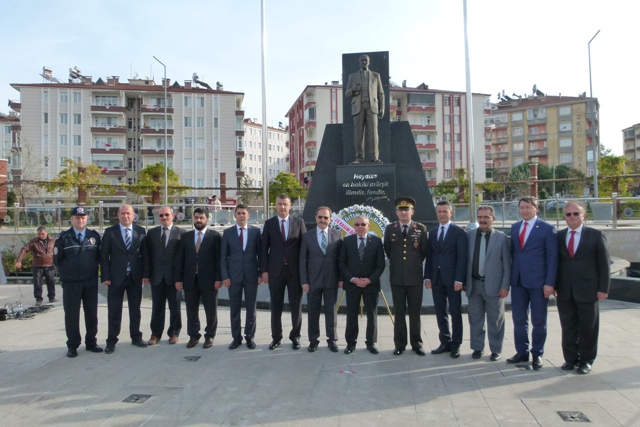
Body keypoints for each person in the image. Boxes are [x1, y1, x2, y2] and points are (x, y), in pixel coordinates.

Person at [555, 201, 610, 375]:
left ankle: (586, 361)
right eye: (568, 214)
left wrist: (603, 288)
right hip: (565, 290)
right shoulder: (559, 236)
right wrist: (554, 285)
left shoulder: (595, 235)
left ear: (583, 215)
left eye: (576, 213)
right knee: (568, 326)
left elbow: (604, 264)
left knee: (588, 327)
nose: (572, 217)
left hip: (588, 290)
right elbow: (555, 263)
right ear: (564, 217)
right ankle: (570, 359)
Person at [508, 196, 558, 369]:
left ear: (536, 209)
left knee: (539, 321)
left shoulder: (547, 229)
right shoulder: (515, 227)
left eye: (528, 207)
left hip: (539, 282)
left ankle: (537, 353)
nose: (524, 210)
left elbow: (552, 258)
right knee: (519, 318)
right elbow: (514, 254)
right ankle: (522, 352)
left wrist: (550, 283)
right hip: (518, 281)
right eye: (522, 207)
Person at [53, 207, 102, 358]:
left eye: (83, 217)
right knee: (72, 314)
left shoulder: (94, 236)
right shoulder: (63, 237)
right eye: (77, 217)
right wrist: (67, 273)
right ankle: (73, 345)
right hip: (71, 282)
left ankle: (91, 342)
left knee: (91, 313)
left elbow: (99, 257)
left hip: (90, 281)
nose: (80, 220)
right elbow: (57, 260)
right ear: (71, 219)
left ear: (87, 219)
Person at [100, 204, 149, 354]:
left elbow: (145, 256)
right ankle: (111, 341)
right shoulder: (110, 232)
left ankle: (136, 337)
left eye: (128, 213)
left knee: (135, 310)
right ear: (118, 215)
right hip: (115, 278)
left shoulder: (141, 231)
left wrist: (145, 274)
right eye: (122, 213)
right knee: (114, 311)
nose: (125, 216)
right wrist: (105, 276)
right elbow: (104, 256)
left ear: (133, 216)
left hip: (135, 277)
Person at [260, 194, 307, 350]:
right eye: (280, 204)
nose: (282, 207)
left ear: (290, 206)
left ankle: (295, 337)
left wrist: (304, 272)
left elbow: (304, 248)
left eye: (285, 204)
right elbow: (263, 249)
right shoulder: (269, 224)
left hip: (294, 272)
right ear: (276, 206)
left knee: (296, 306)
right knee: (276, 306)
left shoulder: (299, 222)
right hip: (275, 271)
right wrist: (264, 271)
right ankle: (276, 337)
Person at [383, 197, 429, 356]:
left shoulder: (420, 229)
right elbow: (388, 250)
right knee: (399, 312)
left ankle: (417, 344)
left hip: (415, 277)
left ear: (412, 211)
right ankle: (400, 344)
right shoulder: (390, 229)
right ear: (396, 212)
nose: (403, 212)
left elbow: (423, 251)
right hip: (397, 278)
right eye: (400, 210)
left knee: (415, 313)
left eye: (406, 209)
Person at [465, 205, 511, 361]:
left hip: (494, 286)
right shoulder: (469, 236)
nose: (482, 220)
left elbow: (507, 265)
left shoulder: (501, 238)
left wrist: (505, 286)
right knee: (475, 319)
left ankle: (496, 349)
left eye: (486, 217)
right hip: (474, 285)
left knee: (495, 319)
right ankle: (477, 348)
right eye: (480, 217)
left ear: (493, 219)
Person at [425, 200, 468, 358]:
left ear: (451, 213)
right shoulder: (432, 232)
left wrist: (459, 279)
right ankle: (445, 341)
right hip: (436, 279)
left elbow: (462, 258)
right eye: (439, 211)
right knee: (440, 311)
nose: (442, 214)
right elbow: (430, 256)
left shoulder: (459, 232)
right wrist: (427, 276)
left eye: (445, 211)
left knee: (455, 312)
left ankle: (456, 344)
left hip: (453, 280)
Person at [175, 207, 222, 349]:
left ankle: (210, 335)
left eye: (201, 218)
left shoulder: (215, 236)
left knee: (211, 310)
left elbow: (219, 260)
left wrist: (218, 278)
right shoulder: (186, 237)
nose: (198, 220)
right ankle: (193, 335)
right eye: (196, 217)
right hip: (190, 279)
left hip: (209, 280)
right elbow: (180, 259)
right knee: (191, 310)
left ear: (207, 219)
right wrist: (178, 279)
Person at [338, 215, 385, 355]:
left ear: (368, 226)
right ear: (354, 226)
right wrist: (352, 279)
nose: (360, 227)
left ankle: (371, 343)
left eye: (363, 224)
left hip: (370, 285)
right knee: (351, 315)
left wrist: (370, 280)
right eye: (357, 224)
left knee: (372, 315)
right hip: (352, 285)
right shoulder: (347, 241)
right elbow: (342, 263)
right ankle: (350, 343)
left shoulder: (376, 241)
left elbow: (380, 265)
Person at [299, 206, 342, 353]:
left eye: (326, 217)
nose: (323, 220)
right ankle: (313, 340)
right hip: (313, 281)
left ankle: (332, 339)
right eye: (320, 217)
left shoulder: (337, 234)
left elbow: (340, 259)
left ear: (330, 219)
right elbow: (302, 260)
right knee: (313, 311)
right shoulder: (307, 236)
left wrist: (340, 279)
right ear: (316, 218)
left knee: (331, 311)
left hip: (331, 280)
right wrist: (304, 281)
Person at [220, 204, 262, 350]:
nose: (241, 216)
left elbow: (260, 254)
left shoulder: (256, 232)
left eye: (244, 213)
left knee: (251, 308)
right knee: (234, 308)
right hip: (234, 277)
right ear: (235, 215)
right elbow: (223, 257)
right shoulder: (228, 233)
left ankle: (250, 337)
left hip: (251, 276)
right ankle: (236, 338)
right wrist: (225, 276)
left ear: (248, 215)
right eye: (239, 213)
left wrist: (260, 273)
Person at [145, 206, 185, 345]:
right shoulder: (152, 233)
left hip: (174, 278)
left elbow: (183, 258)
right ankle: (155, 334)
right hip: (157, 277)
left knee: (175, 307)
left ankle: (174, 333)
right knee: (157, 307)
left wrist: (180, 278)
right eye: (161, 215)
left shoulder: (181, 233)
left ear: (173, 216)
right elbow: (147, 256)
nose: (164, 217)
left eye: (167, 215)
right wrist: (147, 274)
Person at [345, 54, 385, 164]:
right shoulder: (352, 77)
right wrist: (353, 89)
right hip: (358, 107)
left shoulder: (376, 76)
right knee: (358, 134)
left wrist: (382, 107)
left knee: (373, 133)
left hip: (372, 107)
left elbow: (381, 93)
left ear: (369, 62)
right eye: (362, 60)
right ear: (359, 62)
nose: (364, 62)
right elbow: (347, 93)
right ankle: (359, 157)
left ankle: (374, 157)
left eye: (366, 60)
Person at [15, 226, 57, 306]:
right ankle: (38, 299)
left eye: (42, 234)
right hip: (38, 266)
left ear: (46, 233)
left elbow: (59, 250)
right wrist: (19, 261)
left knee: (51, 281)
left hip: (49, 265)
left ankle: (52, 297)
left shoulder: (53, 241)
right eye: (39, 234)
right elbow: (24, 249)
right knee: (37, 283)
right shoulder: (34, 241)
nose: (41, 235)